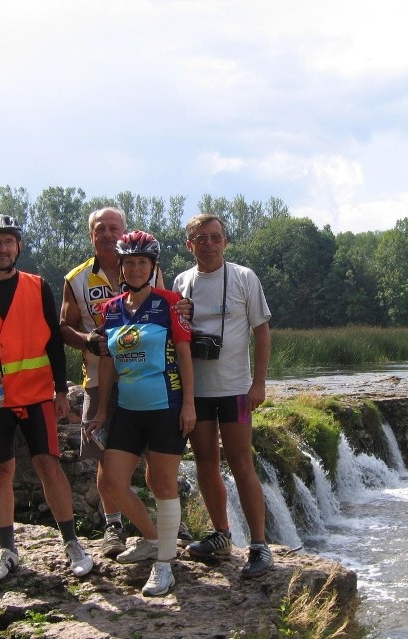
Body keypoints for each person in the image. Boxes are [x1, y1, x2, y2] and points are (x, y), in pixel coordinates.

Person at [0, 213, 93, 581]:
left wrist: (61, 391)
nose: (2, 248)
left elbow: (53, 341)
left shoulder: (37, 286)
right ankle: (7, 550)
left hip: (37, 395)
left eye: (8, 241)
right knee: (2, 470)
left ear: (18, 247)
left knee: (49, 465)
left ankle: (73, 543)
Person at [59, 207, 191, 557]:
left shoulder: (154, 281)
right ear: (92, 235)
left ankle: (167, 536)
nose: (106, 233)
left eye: (113, 227)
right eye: (99, 229)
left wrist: (188, 400)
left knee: (157, 469)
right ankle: (116, 527)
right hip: (101, 381)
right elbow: (64, 327)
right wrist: (88, 341)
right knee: (108, 468)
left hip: (157, 387)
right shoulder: (79, 280)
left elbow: (171, 324)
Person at [89, 230, 195, 596]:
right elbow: (107, 364)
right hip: (128, 410)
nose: (135, 268)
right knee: (110, 482)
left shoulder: (171, 303)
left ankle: (165, 565)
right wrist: (102, 410)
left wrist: (190, 406)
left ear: (153, 267)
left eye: (143, 263)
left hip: (167, 406)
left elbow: (184, 355)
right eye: (129, 262)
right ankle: (153, 539)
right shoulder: (111, 309)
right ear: (120, 266)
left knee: (161, 484)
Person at [171, 213, 274, 578]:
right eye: (201, 239)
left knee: (241, 463)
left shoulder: (245, 277)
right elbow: (176, 333)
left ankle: (260, 546)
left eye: (216, 237)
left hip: (235, 390)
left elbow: (262, 334)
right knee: (205, 464)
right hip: (196, 391)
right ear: (190, 245)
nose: (209, 244)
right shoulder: (182, 282)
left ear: (225, 242)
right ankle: (221, 533)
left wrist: (258, 384)